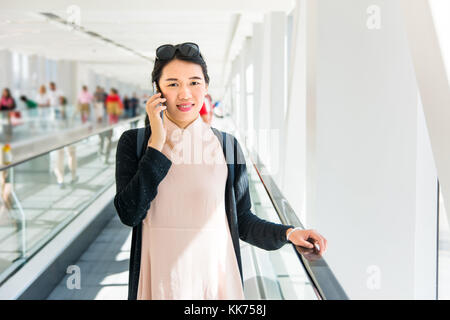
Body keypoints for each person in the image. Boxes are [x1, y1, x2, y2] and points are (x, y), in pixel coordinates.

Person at [114, 42, 328, 300]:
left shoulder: (227, 145)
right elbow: (130, 212)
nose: (185, 93)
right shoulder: (135, 142)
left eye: (194, 82)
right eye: (173, 84)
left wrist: (289, 233)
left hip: (214, 279)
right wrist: (157, 144)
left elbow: (243, 219)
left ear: (205, 87)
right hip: (160, 280)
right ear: (157, 90)